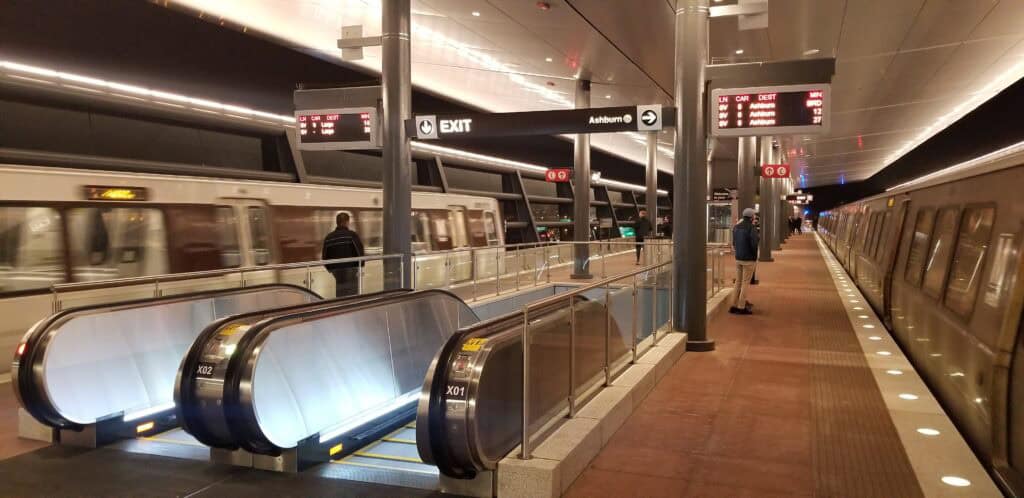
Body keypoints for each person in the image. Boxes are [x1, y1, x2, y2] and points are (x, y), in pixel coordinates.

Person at [322, 212, 365, 297]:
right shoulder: (352, 235)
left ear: (337, 222)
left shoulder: (329, 238)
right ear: (347, 222)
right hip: (352, 270)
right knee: (352, 294)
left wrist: (332, 270)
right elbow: (360, 253)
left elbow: (324, 257)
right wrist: (360, 266)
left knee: (340, 293)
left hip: (337, 272)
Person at [730, 208, 759, 315]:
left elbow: (734, 243)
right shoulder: (751, 228)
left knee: (738, 282)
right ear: (752, 217)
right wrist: (754, 257)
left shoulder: (736, 227)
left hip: (738, 258)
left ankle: (733, 305)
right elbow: (754, 244)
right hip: (748, 259)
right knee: (745, 283)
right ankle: (741, 307)